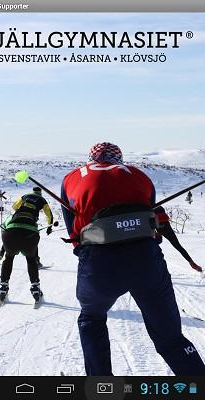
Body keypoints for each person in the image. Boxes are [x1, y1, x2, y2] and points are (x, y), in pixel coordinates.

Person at [61, 142, 205, 376]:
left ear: (91, 157)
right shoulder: (139, 175)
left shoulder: (71, 178)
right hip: (145, 259)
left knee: (92, 318)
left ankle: (101, 386)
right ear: (119, 158)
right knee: (170, 339)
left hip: (98, 263)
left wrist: (83, 253)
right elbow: (154, 220)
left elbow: (73, 231)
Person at [0, 186, 53, 301]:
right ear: (40, 193)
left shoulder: (25, 196)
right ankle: (35, 288)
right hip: (30, 233)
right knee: (31, 259)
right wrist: (49, 227)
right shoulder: (42, 200)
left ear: (33, 192)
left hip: (11, 232)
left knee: (9, 258)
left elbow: (14, 206)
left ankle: (3, 287)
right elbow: (49, 216)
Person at [155, 206, 203, 272]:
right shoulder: (160, 207)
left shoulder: (149, 208)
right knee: (178, 246)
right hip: (167, 228)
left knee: (153, 244)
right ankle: (191, 263)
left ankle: (154, 264)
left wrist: (156, 232)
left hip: (158, 229)